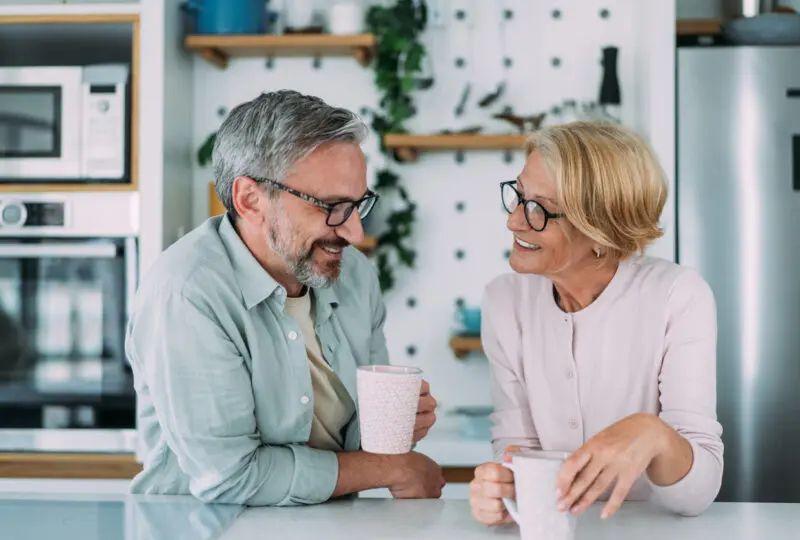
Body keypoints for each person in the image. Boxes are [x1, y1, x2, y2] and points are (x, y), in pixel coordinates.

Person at [126, 90, 444, 506]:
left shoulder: (355, 276)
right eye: (330, 206)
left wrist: (398, 423)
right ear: (250, 200)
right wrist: (391, 468)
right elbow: (231, 477)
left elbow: (359, 440)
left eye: (357, 205)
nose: (354, 233)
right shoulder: (187, 293)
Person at [469, 121, 724, 524]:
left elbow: (699, 493)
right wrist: (501, 488)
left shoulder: (678, 295)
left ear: (601, 230)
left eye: (540, 209)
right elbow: (516, 447)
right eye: (519, 196)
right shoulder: (504, 301)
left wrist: (651, 434)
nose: (514, 221)